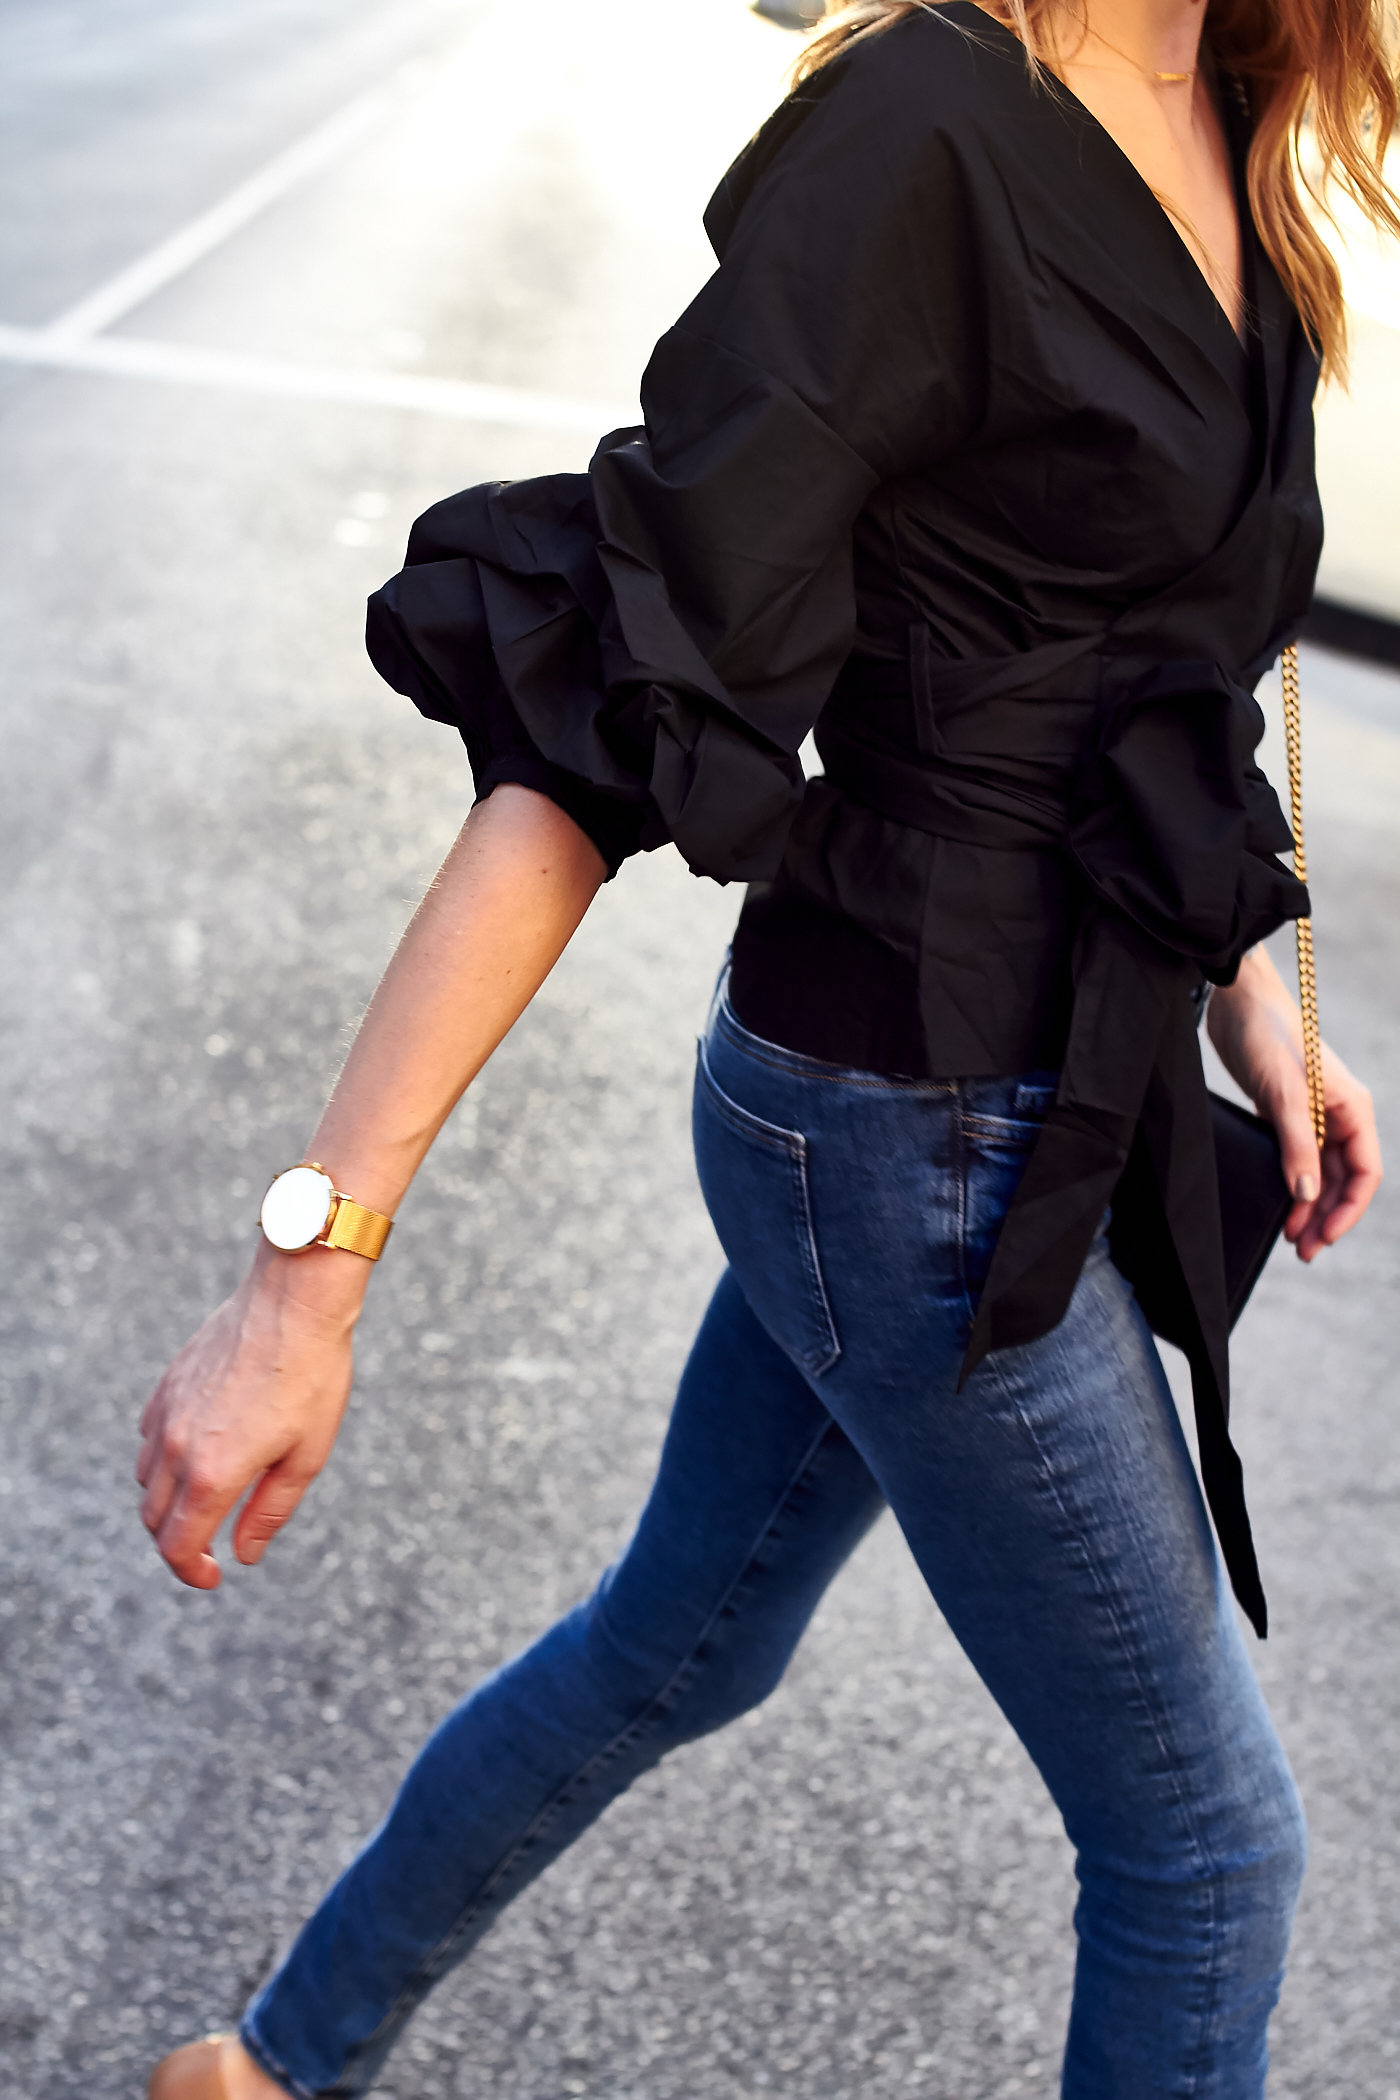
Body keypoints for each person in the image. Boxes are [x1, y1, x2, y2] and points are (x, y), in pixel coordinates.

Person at [142, 0, 1392, 2091]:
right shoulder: (921, 125)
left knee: (676, 1647)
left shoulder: (1245, 105)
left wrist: (1258, 1003)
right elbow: (609, 707)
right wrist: (308, 1268)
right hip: (909, 1133)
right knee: (1203, 1854)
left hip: (1000, 1101)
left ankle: (256, 2071)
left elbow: (1154, 667)